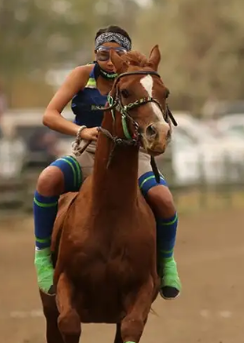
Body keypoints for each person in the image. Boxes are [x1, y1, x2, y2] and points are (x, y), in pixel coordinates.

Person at [33, 25, 182, 300]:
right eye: (103, 54)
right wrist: (80, 131)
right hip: (89, 152)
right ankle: (42, 256)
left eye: (117, 54)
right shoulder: (81, 75)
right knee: (47, 181)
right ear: (95, 54)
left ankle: (167, 263)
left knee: (164, 199)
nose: (109, 60)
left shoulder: (135, 79)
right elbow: (49, 115)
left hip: (132, 157)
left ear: (126, 56)